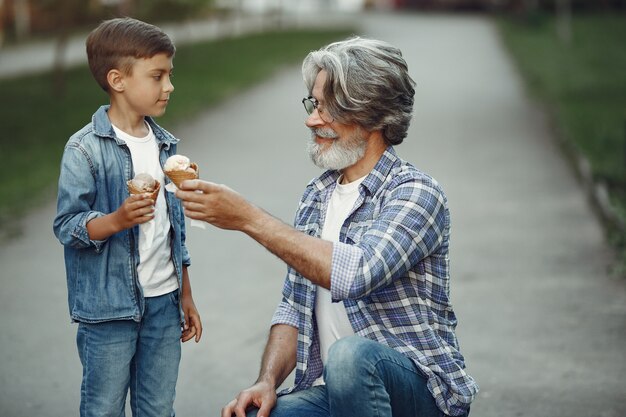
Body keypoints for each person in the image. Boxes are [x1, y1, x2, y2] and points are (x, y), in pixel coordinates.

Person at [177, 37, 478, 417]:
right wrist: (266, 381)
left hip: (419, 396)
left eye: (326, 108)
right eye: (313, 103)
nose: (311, 119)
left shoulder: (416, 193)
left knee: (350, 357)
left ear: (372, 114)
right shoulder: (317, 195)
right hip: (340, 394)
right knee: (253, 414)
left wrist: (248, 218)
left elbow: (358, 273)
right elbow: (293, 306)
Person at [53, 17, 202, 417]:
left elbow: (176, 232)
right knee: (103, 408)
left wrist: (185, 296)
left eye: (169, 75)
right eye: (158, 76)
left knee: (158, 408)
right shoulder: (84, 150)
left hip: (164, 304)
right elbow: (67, 226)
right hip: (109, 311)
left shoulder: (167, 147)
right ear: (118, 80)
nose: (169, 86)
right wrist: (116, 220)